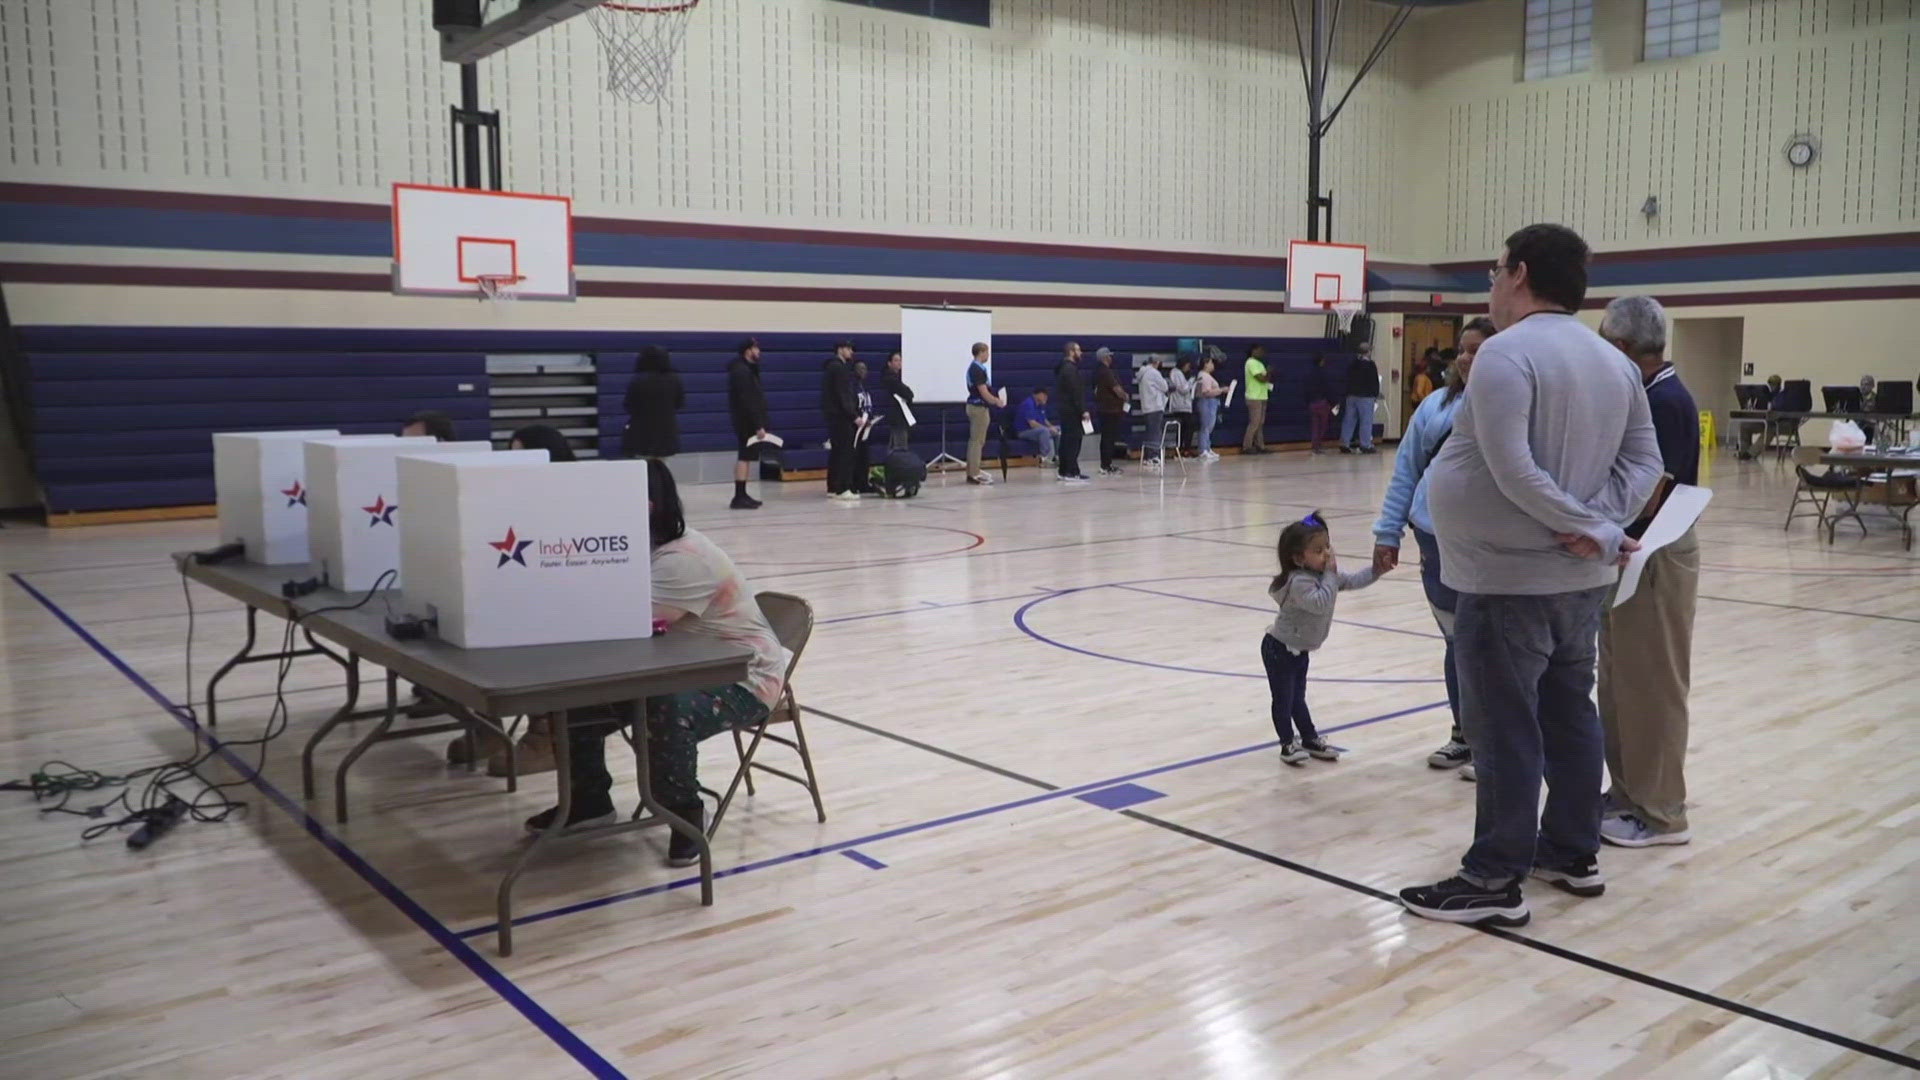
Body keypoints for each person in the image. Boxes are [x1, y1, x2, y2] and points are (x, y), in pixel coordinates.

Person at [1399, 223, 1663, 928]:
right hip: (1575, 583)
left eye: (1495, 269)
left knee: (1504, 728)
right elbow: (1644, 465)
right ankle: (1571, 852)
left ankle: (1493, 880)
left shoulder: (1505, 354)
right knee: (1568, 712)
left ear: (1517, 273)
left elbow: (1516, 470)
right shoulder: (1611, 360)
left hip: (1505, 580)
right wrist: (1597, 523)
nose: (1491, 281)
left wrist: (1593, 527)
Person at [524, 460, 792, 867]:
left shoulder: (681, 560)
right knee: (575, 703)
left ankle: (684, 814)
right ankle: (587, 801)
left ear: (646, 507)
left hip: (744, 680)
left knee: (664, 709)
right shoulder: (638, 549)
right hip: (674, 669)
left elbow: (628, 626)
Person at [1596, 295, 1700, 848]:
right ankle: (1628, 792)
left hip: (1657, 550)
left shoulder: (1665, 402)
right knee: (1618, 682)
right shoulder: (1644, 394)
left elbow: (1649, 489)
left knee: (1653, 683)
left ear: (1620, 347)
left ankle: (1661, 811)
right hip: (1631, 551)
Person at [1372, 316, 1496, 775]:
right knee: (1456, 642)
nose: (1466, 357)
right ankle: (1464, 735)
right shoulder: (1436, 408)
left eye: (1479, 349)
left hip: (1490, 546)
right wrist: (1388, 532)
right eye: (1463, 349)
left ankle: (1496, 744)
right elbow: (1406, 470)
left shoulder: (1515, 407)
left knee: (1490, 645)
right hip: (1434, 541)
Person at [1264, 512, 1384, 766]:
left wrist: (1377, 570)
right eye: (1319, 550)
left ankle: (1309, 738)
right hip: (1279, 649)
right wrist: (1330, 575)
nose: (1327, 554)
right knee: (1284, 699)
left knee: (1298, 697)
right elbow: (1320, 603)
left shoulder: (1322, 577)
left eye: (1327, 546)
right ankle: (1287, 743)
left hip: (1300, 649)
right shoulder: (1299, 582)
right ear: (1298, 558)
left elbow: (1351, 581)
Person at [725, 337, 770, 510]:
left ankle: (742, 493)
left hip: (746, 420)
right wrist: (758, 424)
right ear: (748, 351)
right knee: (744, 456)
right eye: (756, 348)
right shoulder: (742, 372)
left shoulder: (747, 369)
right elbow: (748, 400)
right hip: (746, 422)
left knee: (747, 456)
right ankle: (739, 495)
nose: (759, 352)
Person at [622, 345, 684, 460]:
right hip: (666, 431)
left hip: (641, 431)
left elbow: (628, 405)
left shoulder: (638, 380)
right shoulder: (675, 379)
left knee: (643, 468)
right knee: (661, 467)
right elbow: (679, 404)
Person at [821, 340, 861, 502]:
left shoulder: (831, 367)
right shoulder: (839, 368)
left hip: (833, 416)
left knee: (836, 452)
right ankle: (843, 488)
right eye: (848, 349)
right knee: (845, 452)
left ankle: (832, 487)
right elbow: (843, 395)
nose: (851, 352)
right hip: (841, 417)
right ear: (840, 350)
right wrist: (854, 416)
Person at [1053, 341, 1090, 483]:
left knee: (1066, 440)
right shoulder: (1070, 370)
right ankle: (1070, 471)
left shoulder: (1064, 368)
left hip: (1065, 410)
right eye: (1078, 350)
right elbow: (1076, 393)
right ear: (1071, 352)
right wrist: (1083, 410)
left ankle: (1065, 470)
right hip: (1072, 411)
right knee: (1073, 441)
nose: (1081, 353)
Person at [1093, 346, 1130, 475]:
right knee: (1108, 438)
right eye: (1109, 355)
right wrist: (1125, 396)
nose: (1111, 358)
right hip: (1110, 410)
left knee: (1107, 438)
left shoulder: (1098, 372)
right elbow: (1116, 389)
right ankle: (1106, 465)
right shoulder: (1106, 372)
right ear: (1104, 357)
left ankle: (1106, 464)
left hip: (1105, 409)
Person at [1341, 342, 1381, 453]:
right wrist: (1375, 394)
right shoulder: (1371, 365)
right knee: (1366, 421)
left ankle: (1345, 443)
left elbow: (1347, 379)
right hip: (1366, 397)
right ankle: (1365, 444)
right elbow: (1374, 381)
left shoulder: (1353, 364)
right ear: (1368, 352)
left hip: (1352, 396)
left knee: (1349, 420)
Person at [1736, 374, 1785, 460]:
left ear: (1779, 384)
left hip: (1776, 424)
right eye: (1771, 383)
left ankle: (1750, 453)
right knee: (1744, 426)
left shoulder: (1782, 396)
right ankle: (1743, 451)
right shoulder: (1764, 395)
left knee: (1769, 431)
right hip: (1765, 421)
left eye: (1774, 384)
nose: (1772, 386)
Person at [1137, 357, 1170, 470]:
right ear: (1156, 362)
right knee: (1155, 433)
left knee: (1150, 432)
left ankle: (1147, 457)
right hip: (1155, 406)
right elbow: (1164, 387)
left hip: (1146, 407)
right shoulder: (1153, 373)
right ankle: (1154, 456)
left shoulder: (1142, 373)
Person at [1195, 352, 1227, 462]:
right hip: (1206, 402)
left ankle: (1207, 448)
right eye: (1211, 363)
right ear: (1205, 364)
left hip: (1210, 403)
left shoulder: (1206, 376)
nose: (1213, 365)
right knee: (1206, 426)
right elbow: (1206, 392)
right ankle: (1203, 450)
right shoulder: (1204, 376)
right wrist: (1221, 390)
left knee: (1209, 426)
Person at [1304, 354, 1339, 454]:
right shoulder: (1323, 374)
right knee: (1322, 425)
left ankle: (1314, 445)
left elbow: (1305, 389)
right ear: (1322, 361)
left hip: (1312, 402)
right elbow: (1327, 389)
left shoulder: (1309, 374)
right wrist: (1333, 401)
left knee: (1315, 425)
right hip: (1322, 402)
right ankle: (1318, 445)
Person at [1241, 344, 1272, 454]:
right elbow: (1261, 378)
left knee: (1260, 423)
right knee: (1254, 422)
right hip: (1254, 397)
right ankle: (1246, 446)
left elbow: (1266, 379)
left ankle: (1260, 445)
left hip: (1262, 396)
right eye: (1260, 350)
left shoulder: (1259, 363)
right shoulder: (1251, 362)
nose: (1262, 352)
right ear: (1253, 350)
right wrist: (1268, 372)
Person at [1013, 388, 1059, 463]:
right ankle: (1044, 457)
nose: (1046, 398)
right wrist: (1049, 429)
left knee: (1058, 429)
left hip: (1036, 430)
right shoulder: (1028, 404)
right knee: (1045, 431)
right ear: (1038, 394)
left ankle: (1057, 456)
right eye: (1044, 395)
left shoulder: (1040, 405)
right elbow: (1032, 424)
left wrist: (1052, 427)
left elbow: (1044, 420)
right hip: (1024, 431)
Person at [882, 350, 915, 452]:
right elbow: (908, 393)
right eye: (896, 360)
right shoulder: (890, 378)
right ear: (889, 363)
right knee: (899, 445)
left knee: (895, 443)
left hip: (900, 416)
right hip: (897, 416)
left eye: (900, 360)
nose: (899, 363)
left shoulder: (898, 377)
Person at [1168, 356, 1196, 457]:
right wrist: (1192, 382)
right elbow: (1183, 389)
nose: (1188, 368)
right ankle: (1183, 449)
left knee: (1184, 427)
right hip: (1180, 405)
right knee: (1187, 427)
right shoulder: (1176, 373)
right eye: (1188, 365)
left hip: (1183, 405)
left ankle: (1183, 449)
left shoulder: (1178, 373)